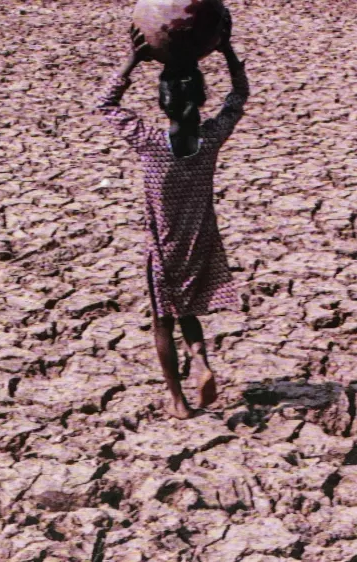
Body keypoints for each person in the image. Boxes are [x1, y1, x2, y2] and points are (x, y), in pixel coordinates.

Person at [95, 11, 249, 419]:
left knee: (163, 319)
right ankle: (199, 359)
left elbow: (105, 103)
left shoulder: (149, 142)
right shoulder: (210, 140)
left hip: (164, 246)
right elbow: (238, 97)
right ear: (201, 99)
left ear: (163, 103)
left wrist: (132, 60)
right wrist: (227, 52)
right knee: (188, 307)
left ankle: (179, 401)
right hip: (201, 241)